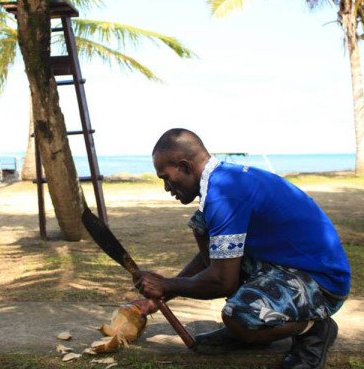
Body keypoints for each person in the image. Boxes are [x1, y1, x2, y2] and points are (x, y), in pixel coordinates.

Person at [132, 128, 350, 369]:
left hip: (322, 283)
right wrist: (162, 295)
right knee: (201, 225)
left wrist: (167, 284)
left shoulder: (225, 196)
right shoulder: (224, 181)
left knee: (238, 317)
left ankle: (314, 328)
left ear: (184, 166)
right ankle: (252, 330)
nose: (166, 187)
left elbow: (221, 281)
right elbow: (218, 258)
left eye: (165, 177)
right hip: (288, 265)